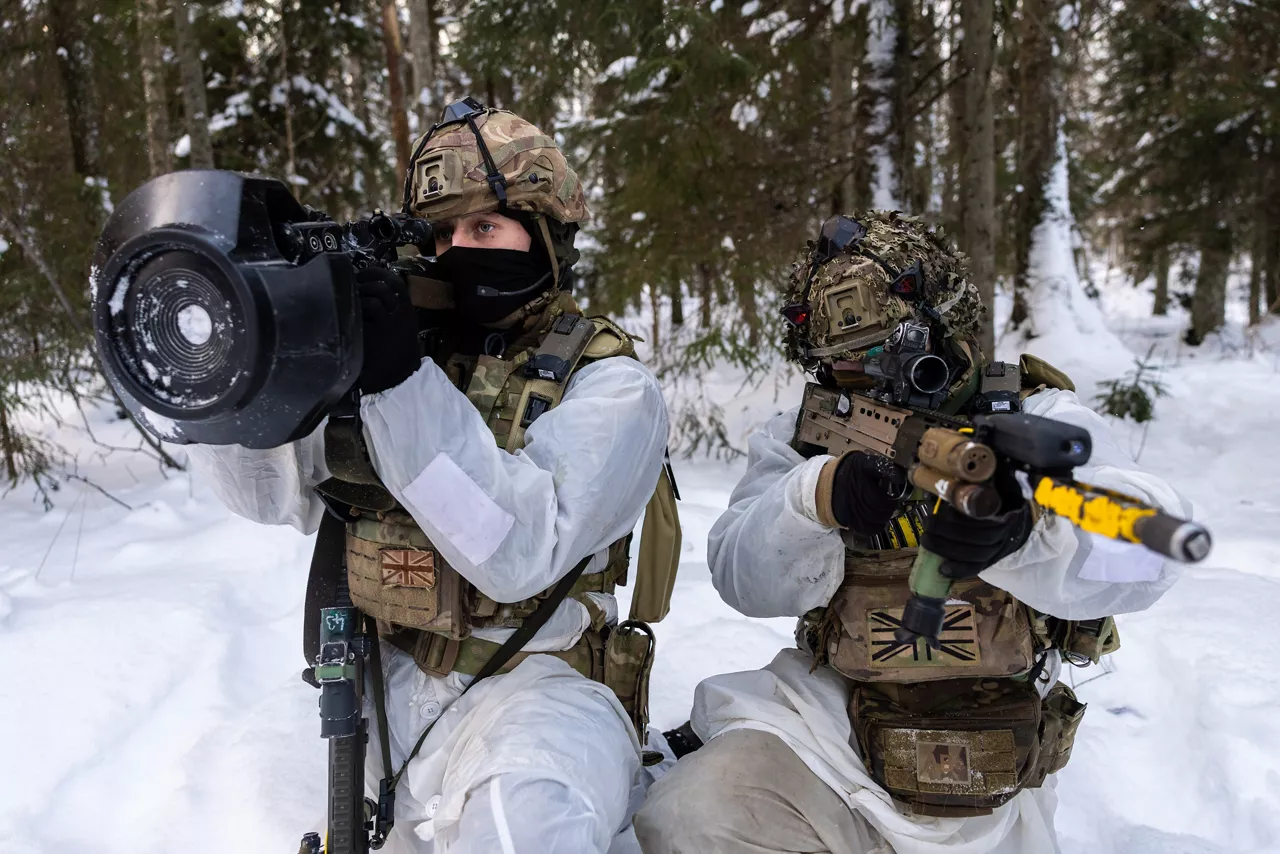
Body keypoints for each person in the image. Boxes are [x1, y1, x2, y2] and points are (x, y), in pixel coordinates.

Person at [188, 97, 678, 853]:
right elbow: (266, 494)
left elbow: (521, 553)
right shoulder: (402, 355)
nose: (458, 251)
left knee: (528, 825)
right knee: (246, 798)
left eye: (485, 227)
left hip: (536, 692)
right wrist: (245, 376)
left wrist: (399, 383)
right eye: (443, 234)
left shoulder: (610, 387)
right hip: (377, 682)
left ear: (546, 237)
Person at [634, 211, 1190, 854]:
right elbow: (738, 577)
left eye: (894, 352)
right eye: (847, 368)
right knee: (690, 819)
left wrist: (1028, 530)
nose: (875, 380)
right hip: (832, 724)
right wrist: (813, 498)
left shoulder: (1033, 417)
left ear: (942, 330)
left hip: (993, 755)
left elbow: (1152, 546)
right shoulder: (810, 433)